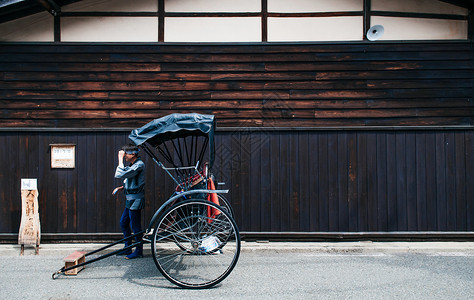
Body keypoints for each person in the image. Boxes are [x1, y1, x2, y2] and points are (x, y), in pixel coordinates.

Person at [112, 144, 145, 259]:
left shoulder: (139, 165)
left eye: (126, 153)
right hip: (130, 199)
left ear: (133, 154)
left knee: (135, 226)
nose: (125, 155)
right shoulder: (133, 164)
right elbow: (129, 178)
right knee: (123, 222)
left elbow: (121, 174)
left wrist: (120, 159)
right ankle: (127, 248)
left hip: (135, 199)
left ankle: (138, 250)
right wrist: (122, 188)